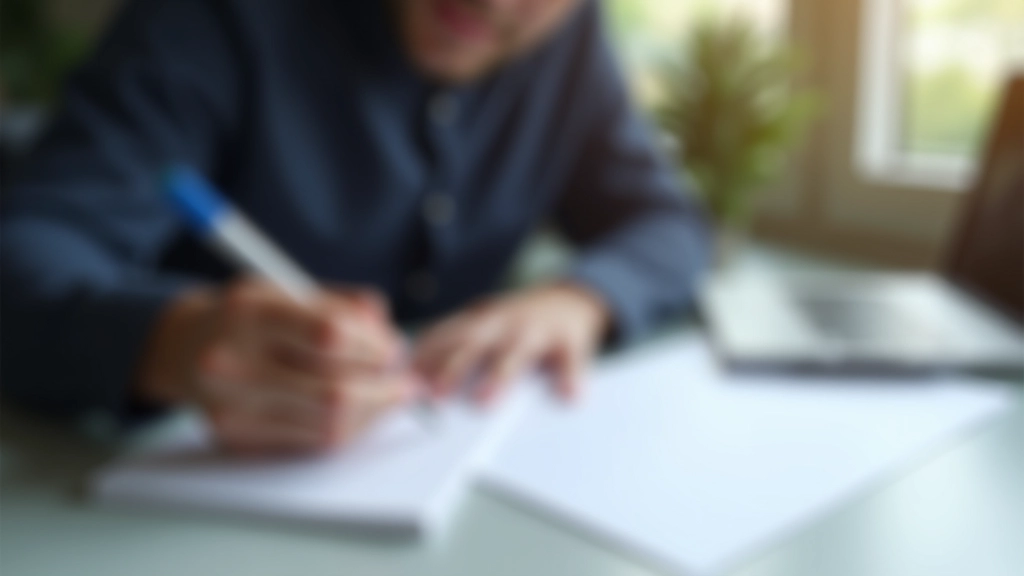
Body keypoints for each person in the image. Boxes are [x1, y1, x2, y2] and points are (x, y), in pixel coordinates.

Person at [0, 0, 709, 454]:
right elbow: (27, 254)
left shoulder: (569, 38)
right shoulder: (213, 20)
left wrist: (580, 300)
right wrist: (174, 343)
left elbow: (666, 221)